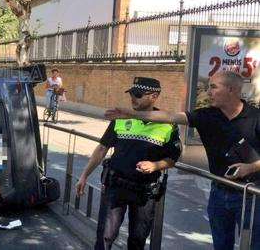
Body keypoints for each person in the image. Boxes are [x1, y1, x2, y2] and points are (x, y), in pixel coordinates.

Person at [105, 71, 260, 250]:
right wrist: (131, 114)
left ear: (231, 89)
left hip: (251, 195)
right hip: (219, 192)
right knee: (221, 244)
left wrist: (250, 167)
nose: (208, 92)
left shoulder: (256, 117)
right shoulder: (207, 115)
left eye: (213, 87)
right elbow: (171, 116)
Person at [78, 77, 181, 250]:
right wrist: (83, 176)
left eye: (138, 95)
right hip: (115, 187)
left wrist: (156, 166)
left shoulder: (168, 125)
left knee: (137, 240)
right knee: (105, 236)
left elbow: (172, 159)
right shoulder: (121, 118)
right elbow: (102, 148)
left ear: (153, 97)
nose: (133, 98)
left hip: (145, 192)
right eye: (131, 94)